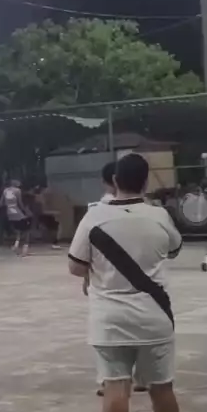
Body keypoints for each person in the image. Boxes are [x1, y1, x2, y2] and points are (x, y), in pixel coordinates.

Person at [68, 153, 207, 412]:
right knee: (162, 388)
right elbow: (173, 249)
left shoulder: (94, 217)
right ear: (145, 182)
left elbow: (75, 266)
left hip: (110, 319)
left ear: (114, 181)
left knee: (116, 387)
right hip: (154, 316)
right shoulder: (159, 216)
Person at [85, 162, 147, 396]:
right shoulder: (148, 210)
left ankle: (108, 379)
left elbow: (83, 255)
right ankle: (142, 377)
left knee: (108, 336)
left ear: (109, 181)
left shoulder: (96, 211)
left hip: (108, 286)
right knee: (141, 330)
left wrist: (86, 277)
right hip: (142, 285)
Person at [0, 180, 31, 256]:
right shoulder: (17, 190)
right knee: (27, 231)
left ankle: (16, 245)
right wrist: (26, 212)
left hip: (10, 213)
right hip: (17, 213)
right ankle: (25, 249)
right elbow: (20, 203)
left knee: (18, 231)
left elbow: (1, 203)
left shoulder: (5, 191)